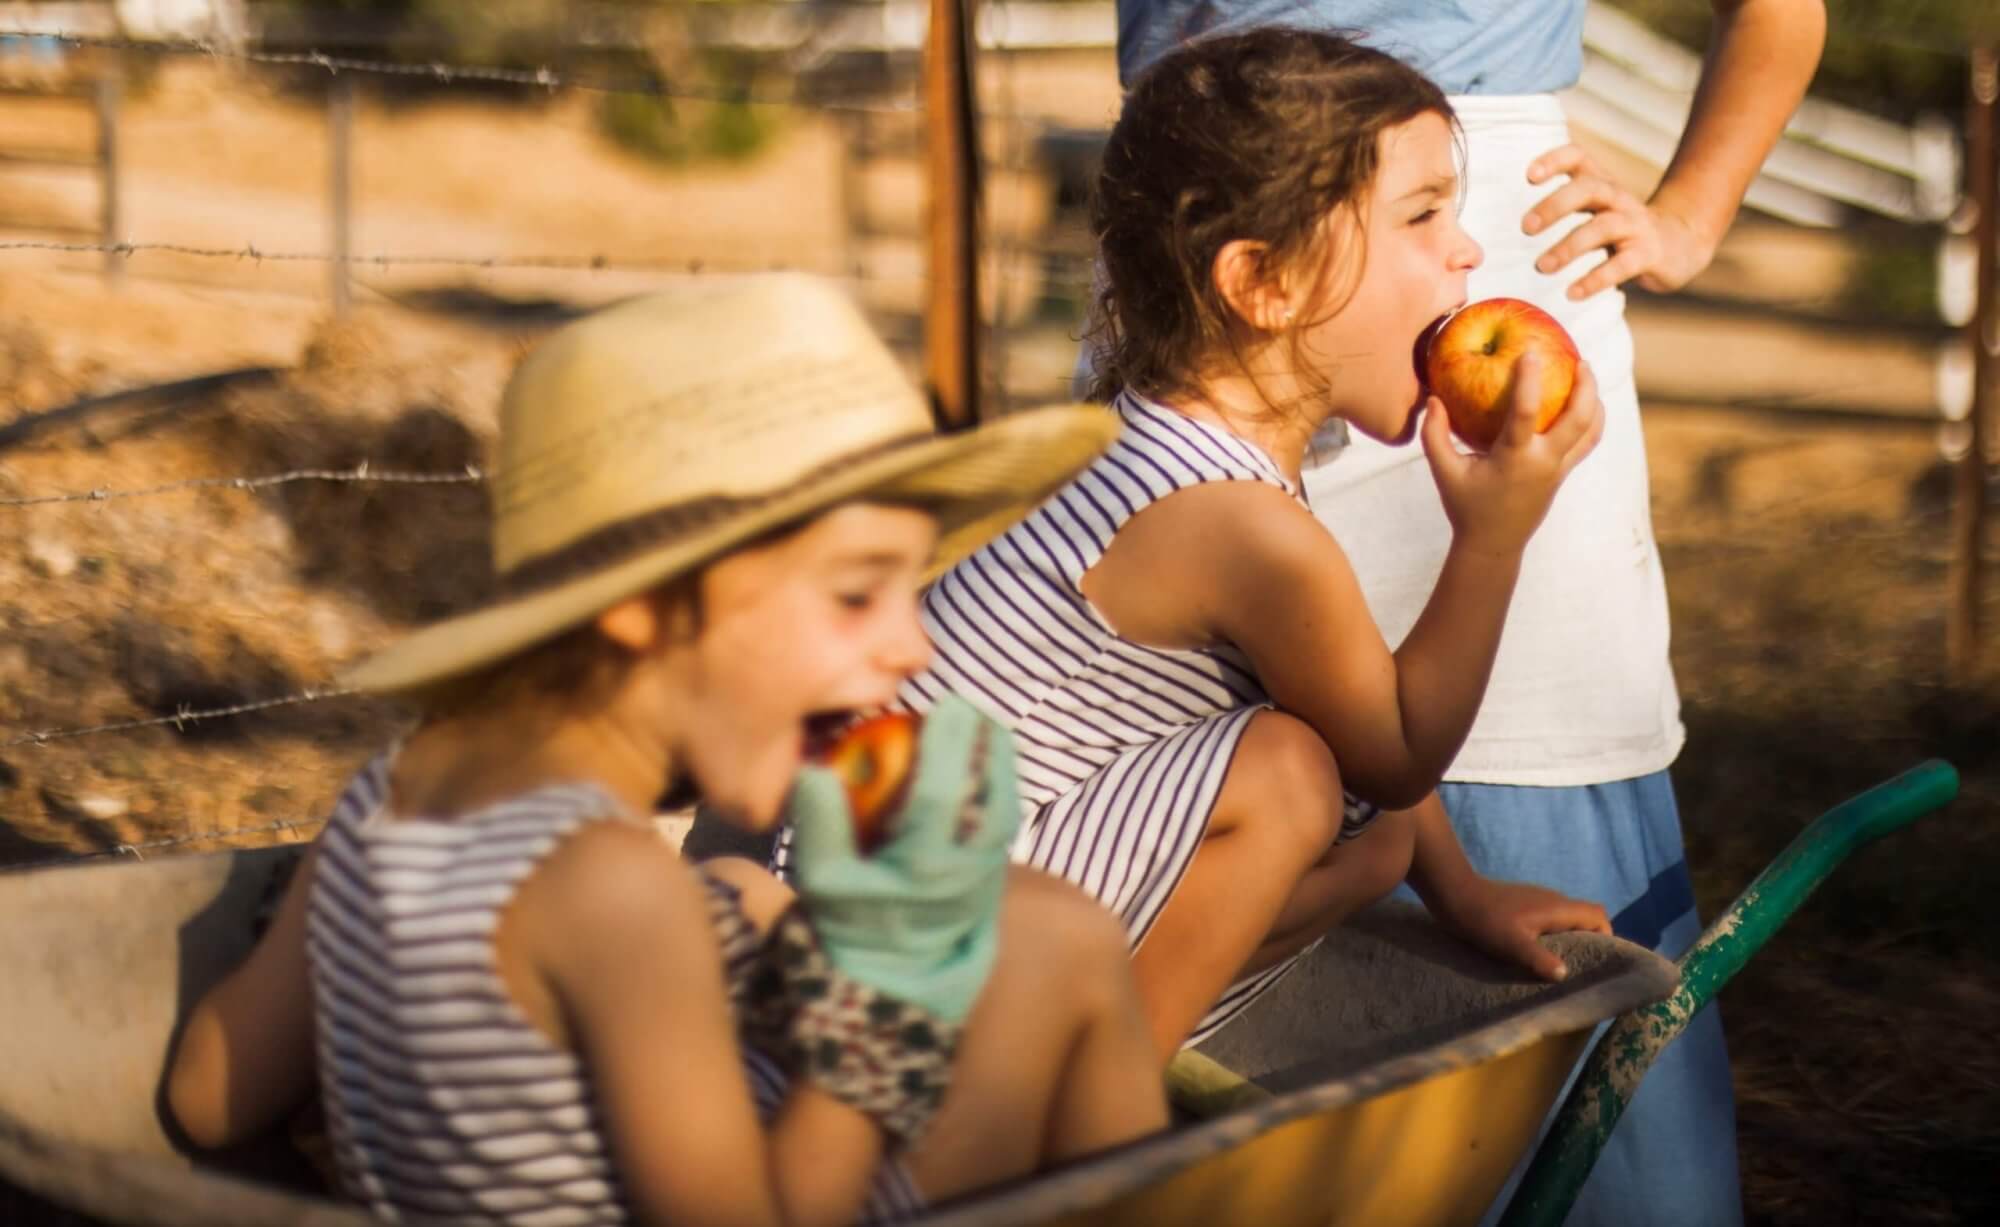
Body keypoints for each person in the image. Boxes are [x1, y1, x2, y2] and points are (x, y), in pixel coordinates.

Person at [162, 275, 1168, 1227]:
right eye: (858, 592)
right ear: (643, 607)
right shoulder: (613, 892)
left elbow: (208, 1098)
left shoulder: (394, 793)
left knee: (742, 886)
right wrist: (877, 1004)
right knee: (1058, 940)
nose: (914, 644)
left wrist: (394, 1008)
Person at [1106, 2, 1828, 1223]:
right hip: (1232, 229)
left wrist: (1689, 215)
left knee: (1494, 762)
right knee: (1261, 749)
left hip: (1421, 224)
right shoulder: (1198, 496)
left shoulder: (1438, 247)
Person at [835, 29, 1611, 1064]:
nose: (1465, 250)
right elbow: (1397, 748)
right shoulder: (1234, 525)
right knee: (1291, 770)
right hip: (897, 935)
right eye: (1422, 215)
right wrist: (1492, 541)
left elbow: (1374, 754)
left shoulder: (1173, 445)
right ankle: (1084, 1111)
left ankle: (1063, 1063)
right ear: (1263, 284)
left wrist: (1460, 896)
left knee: (1371, 827)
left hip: (906, 882)